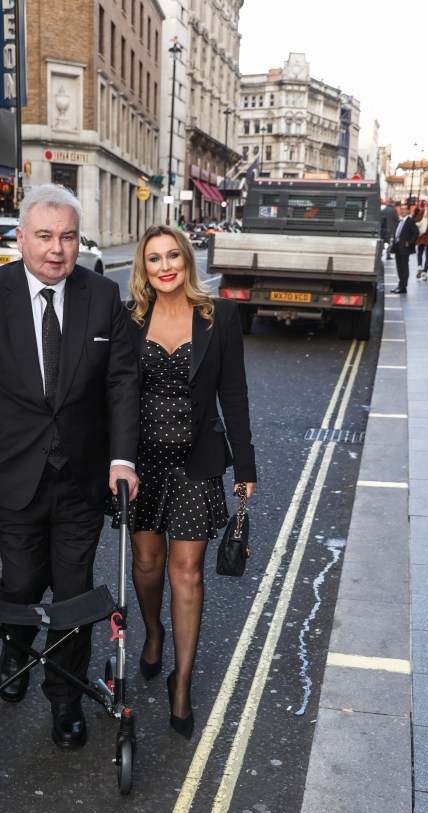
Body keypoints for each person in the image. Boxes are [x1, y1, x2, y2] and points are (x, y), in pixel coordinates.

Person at [0, 184, 140, 750]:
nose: (57, 249)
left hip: (83, 475)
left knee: (73, 590)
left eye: (68, 237)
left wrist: (122, 460)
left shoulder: (103, 297)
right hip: (11, 470)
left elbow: (123, 383)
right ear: (20, 239)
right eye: (44, 236)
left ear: (79, 241)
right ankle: (17, 643)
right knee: (22, 582)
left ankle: (66, 699)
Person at [121, 225, 257, 738]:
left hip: (197, 464)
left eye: (173, 254)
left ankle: (182, 682)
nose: (165, 266)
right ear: (144, 267)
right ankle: (153, 631)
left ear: (187, 259)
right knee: (147, 561)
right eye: (154, 258)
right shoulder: (130, 318)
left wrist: (245, 467)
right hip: (141, 463)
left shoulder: (218, 316)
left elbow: (235, 393)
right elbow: (112, 391)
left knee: (188, 573)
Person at [390, 202, 419, 294]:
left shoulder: (410, 221)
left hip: (405, 248)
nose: (402, 211)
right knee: (399, 267)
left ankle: (403, 287)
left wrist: (409, 242)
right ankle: (400, 285)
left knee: (404, 267)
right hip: (398, 247)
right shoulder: (400, 220)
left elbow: (416, 233)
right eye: (401, 209)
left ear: (408, 211)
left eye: (404, 209)